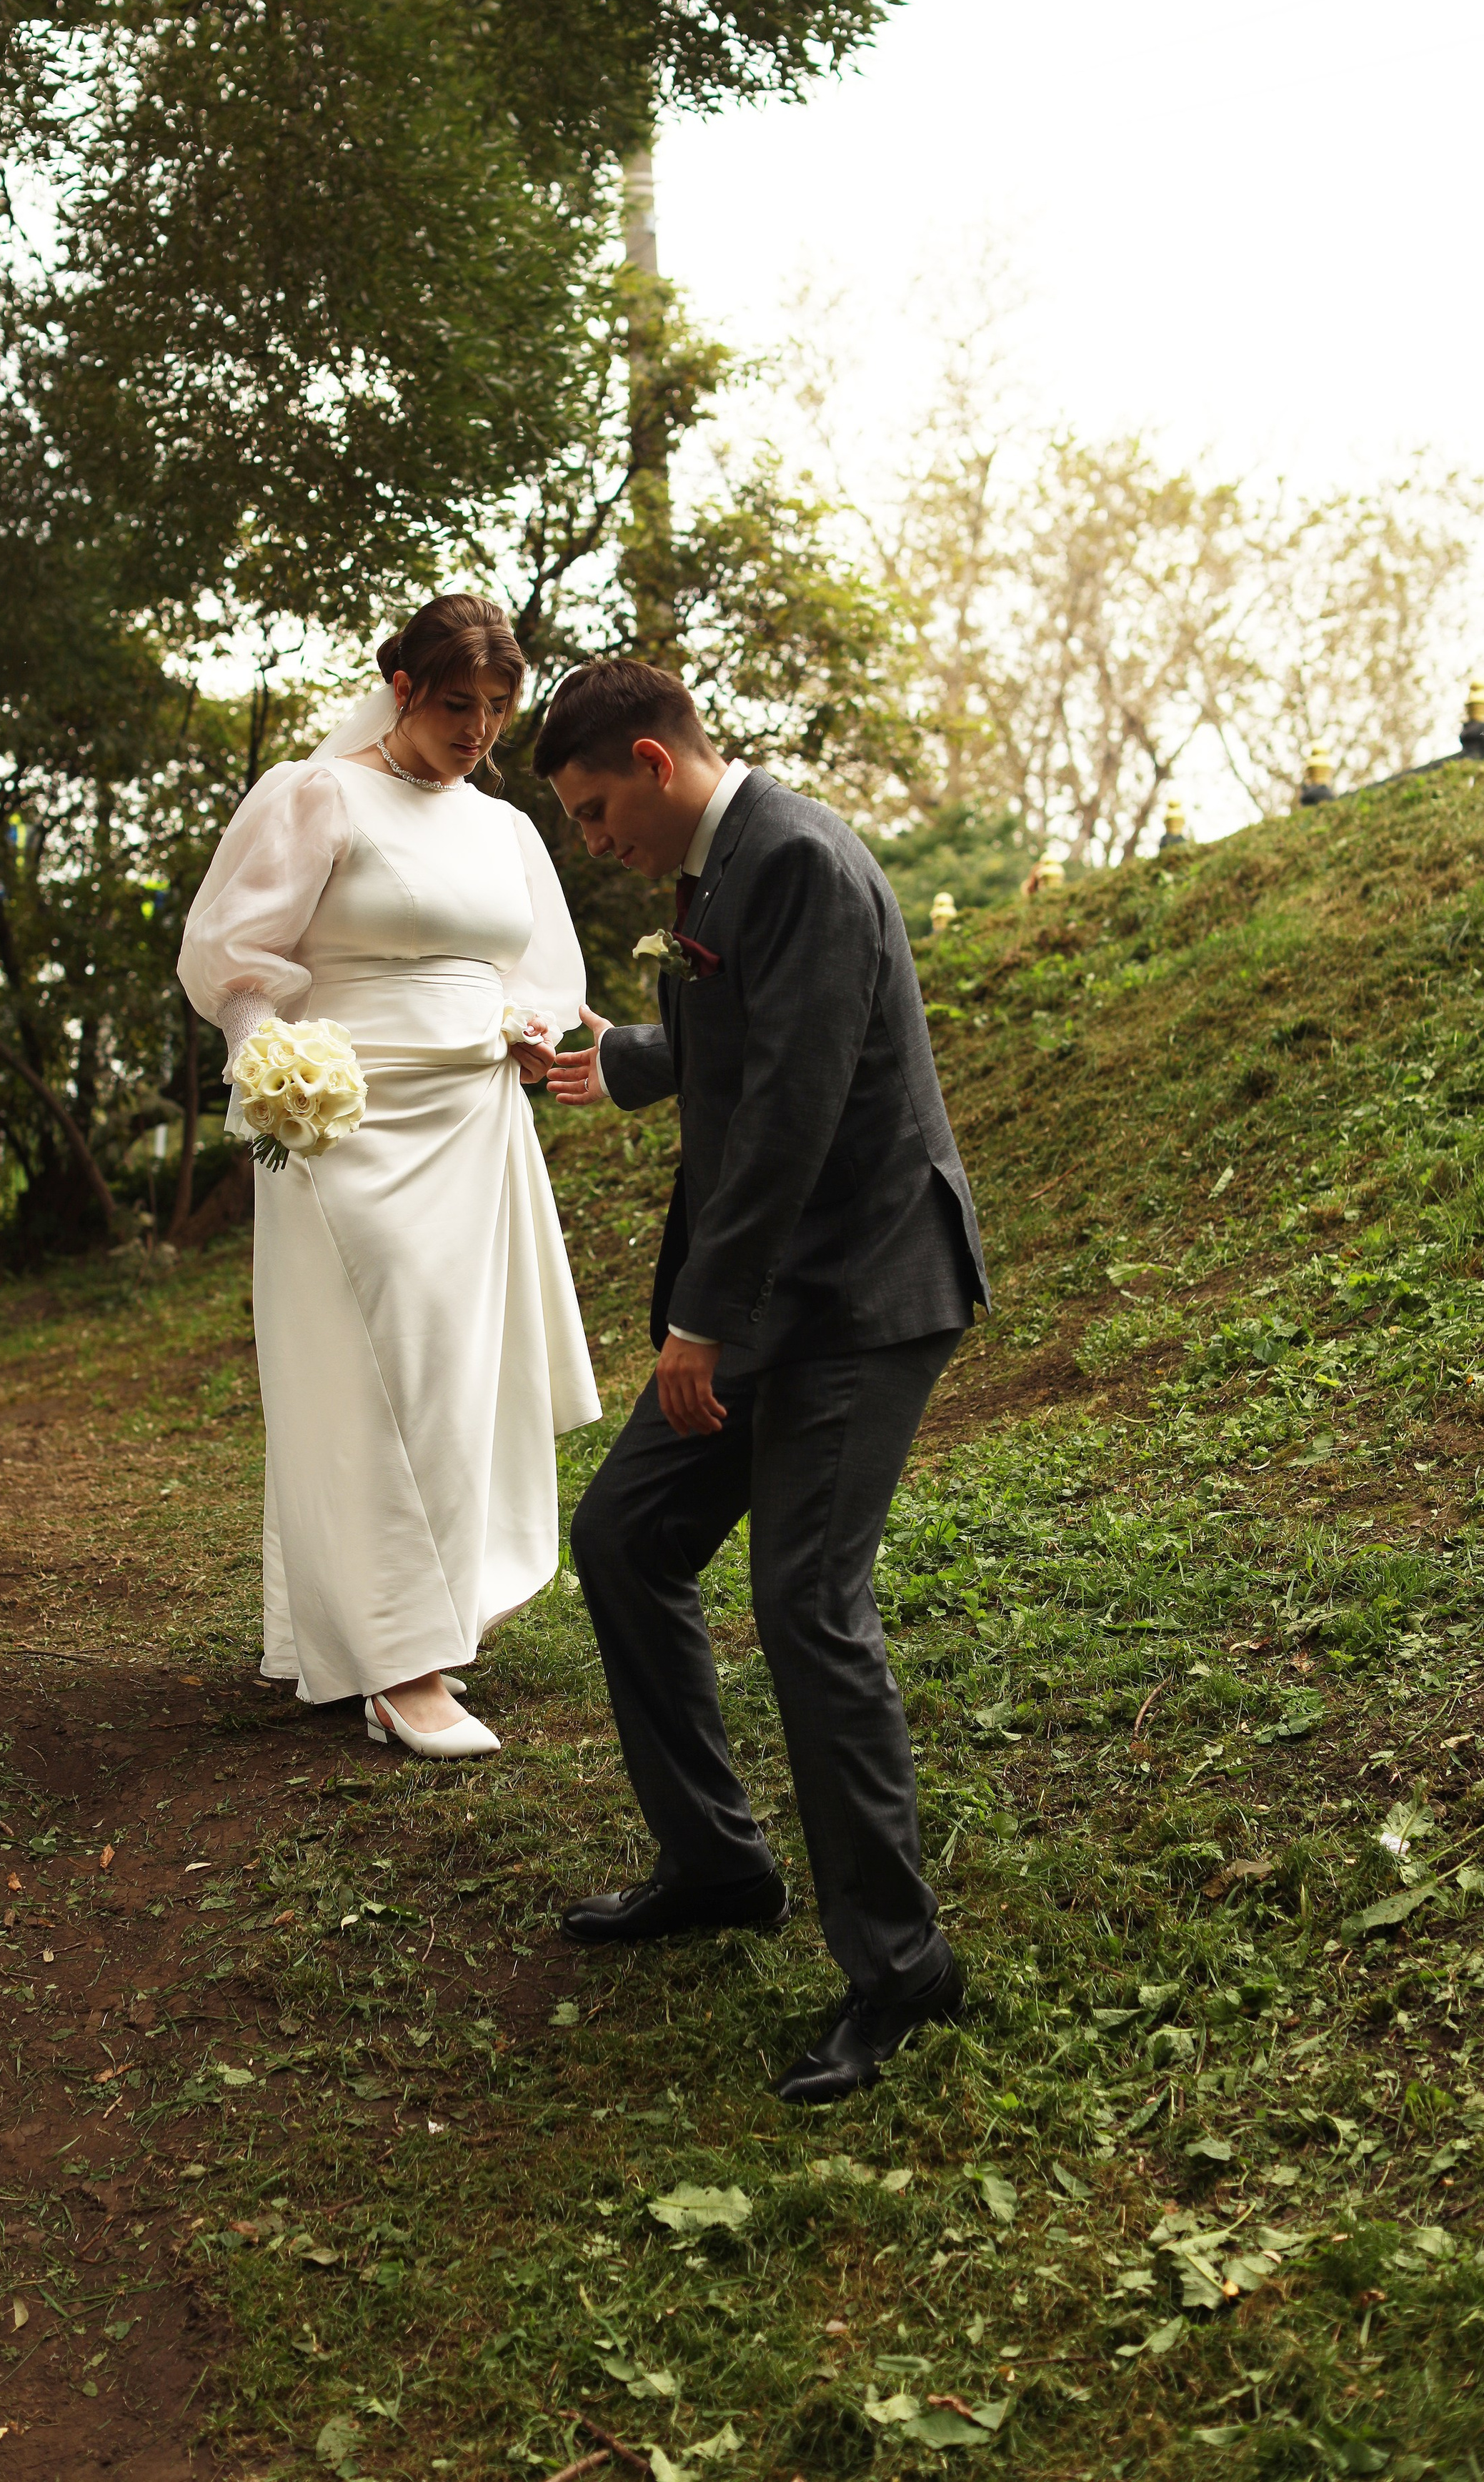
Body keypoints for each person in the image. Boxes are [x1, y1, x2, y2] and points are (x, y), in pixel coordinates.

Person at [537, 661, 988, 2104]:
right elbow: (750, 1046)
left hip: (857, 1291)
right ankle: (718, 1866)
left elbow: (798, 1105)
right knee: (623, 1538)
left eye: (597, 810)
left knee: (804, 1605)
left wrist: (699, 1321)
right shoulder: (720, 870)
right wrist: (625, 1060)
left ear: (656, 765)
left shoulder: (792, 854)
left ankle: (902, 1972)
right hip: (773, 1299)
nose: (593, 842)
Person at [179, 596, 600, 1759]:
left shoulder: (504, 830)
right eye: (458, 703)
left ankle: (424, 1627)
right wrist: (272, 1068)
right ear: (403, 687)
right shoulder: (315, 795)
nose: (480, 729)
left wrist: (530, 1025)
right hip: (343, 1125)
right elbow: (235, 961)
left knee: (461, 1375)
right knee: (375, 1373)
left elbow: (543, 970)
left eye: (499, 707)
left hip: (473, 1121)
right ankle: (396, 1668)